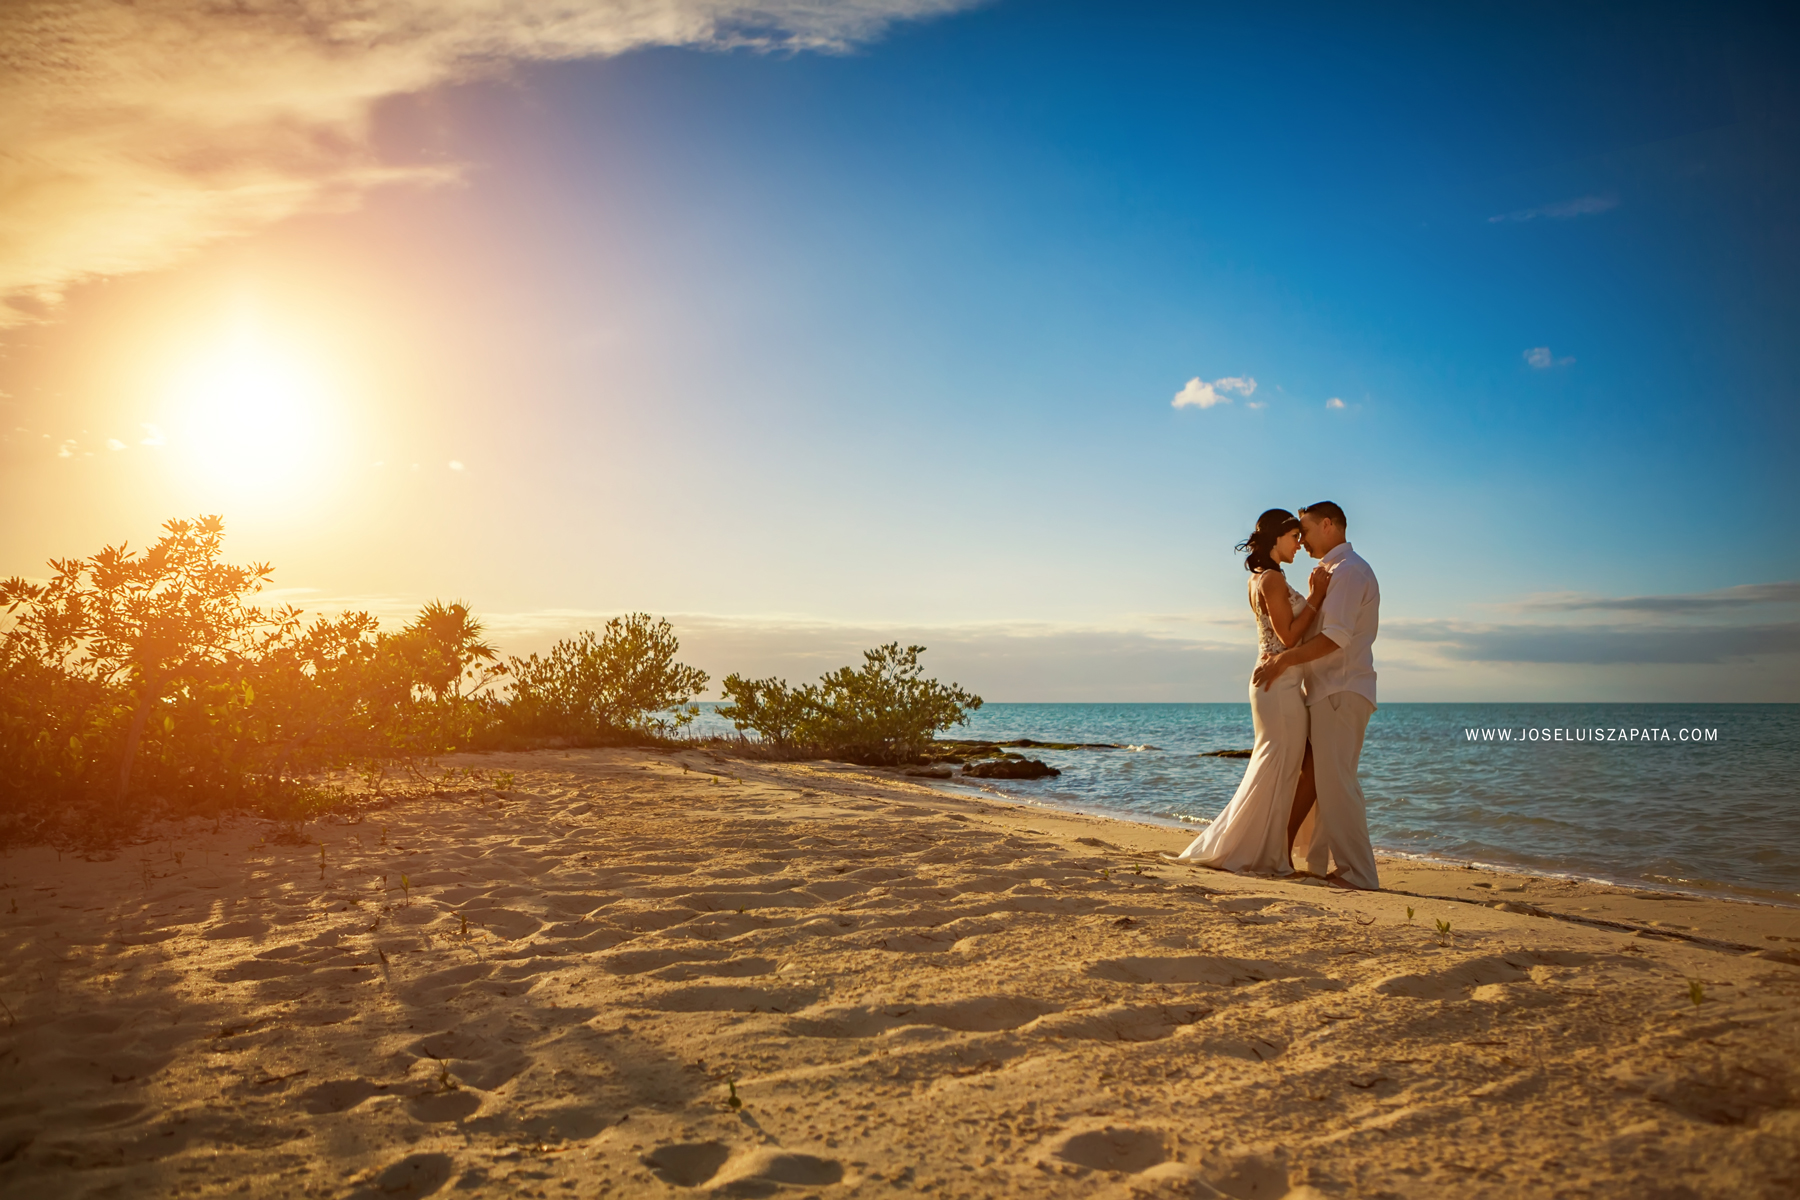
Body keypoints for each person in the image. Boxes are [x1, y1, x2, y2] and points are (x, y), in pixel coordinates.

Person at [1172, 509, 1330, 874]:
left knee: (1288, 764)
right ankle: (1268, 851)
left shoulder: (1266, 577)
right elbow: (1289, 636)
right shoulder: (1271, 579)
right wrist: (1317, 596)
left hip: (1280, 681)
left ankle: (1273, 847)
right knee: (1283, 766)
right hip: (1278, 682)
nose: (1300, 543)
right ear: (1277, 538)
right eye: (1294, 537)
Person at [1251, 501, 1380, 890]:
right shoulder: (1330, 573)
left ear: (1328, 525)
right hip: (1325, 689)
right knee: (1326, 782)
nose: (1302, 540)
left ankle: (1358, 874)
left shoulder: (1350, 572)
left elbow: (1336, 638)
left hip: (1341, 688)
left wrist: (1283, 660)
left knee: (1336, 783)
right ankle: (1328, 866)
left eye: (1305, 530)